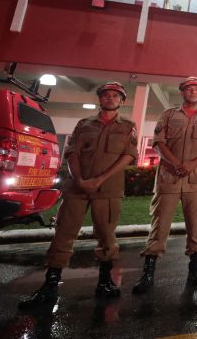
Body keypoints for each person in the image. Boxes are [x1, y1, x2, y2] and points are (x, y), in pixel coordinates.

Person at [19, 82, 138, 309]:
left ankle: (104, 282)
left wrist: (99, 180)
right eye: (106, 95)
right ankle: (49, 286)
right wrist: (80, 179)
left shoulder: (128, 127)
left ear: (122, 101)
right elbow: (72, 152)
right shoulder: (84, 124)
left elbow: (129, 156)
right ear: (100, 99)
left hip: (108, 190)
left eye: (115, 96)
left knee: (106, 235)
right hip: (77, 188)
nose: (110, 98)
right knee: (63, 233)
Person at [132, 76, 197, 293]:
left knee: (195, 226)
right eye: (189, 88)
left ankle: (194, 269)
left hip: (196, 180)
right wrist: (176, 163)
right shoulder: (168, 115)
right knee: (159, 225)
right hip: (168, 178)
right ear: (182, 92)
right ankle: (148, 273)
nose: (193, 91)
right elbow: (158, 143)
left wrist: (191, 164)